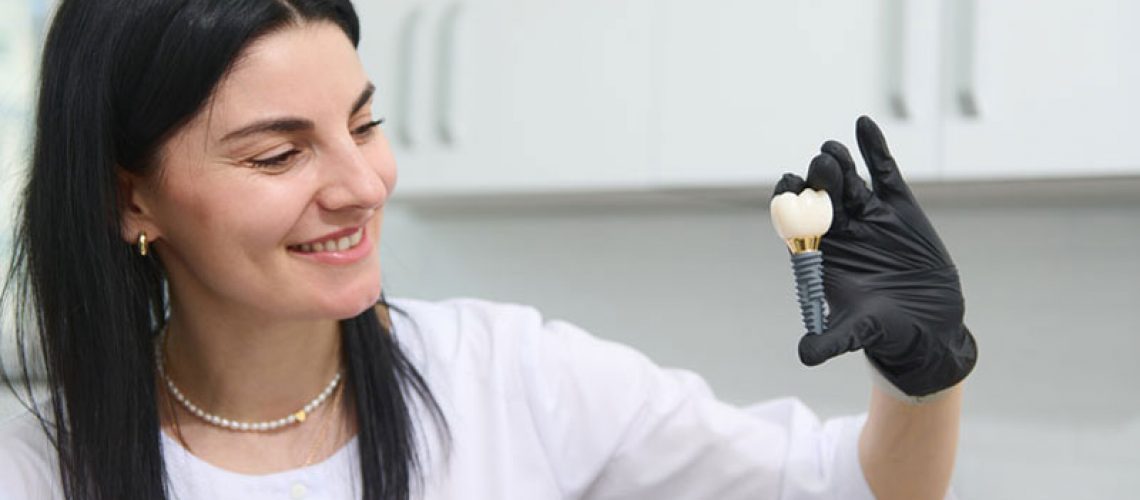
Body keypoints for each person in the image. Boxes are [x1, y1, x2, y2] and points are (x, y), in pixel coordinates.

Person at [0, 0, 977, 499]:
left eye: (364, 122)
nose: (363, 181)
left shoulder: (507, 373)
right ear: (132, 198)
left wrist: (923, 374)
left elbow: (843, 485)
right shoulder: (34, 463)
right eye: (282, 151)